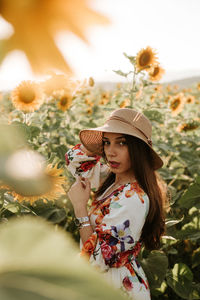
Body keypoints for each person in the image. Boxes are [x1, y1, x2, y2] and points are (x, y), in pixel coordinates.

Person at [65, 108, 166, 300]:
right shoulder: (111, 179)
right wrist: (98, 143)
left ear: (138, 149)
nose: (110, 152)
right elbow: (75, 160)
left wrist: (80, 209)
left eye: (122, 143)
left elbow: (97, 259)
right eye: (107, 143)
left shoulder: (133, 198)